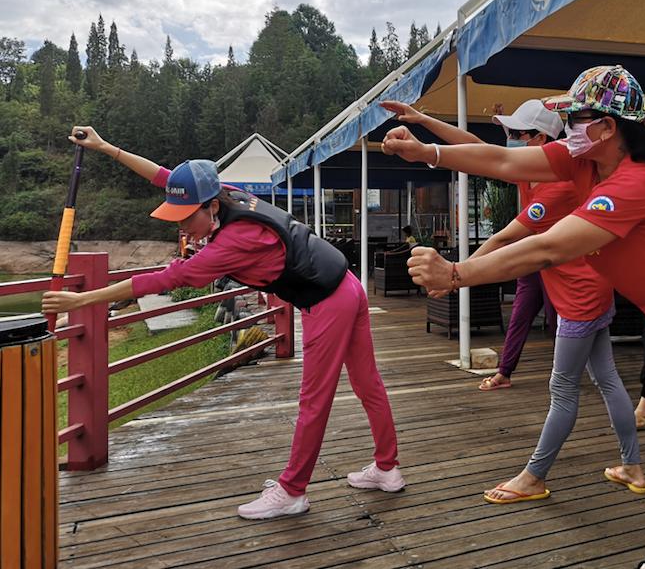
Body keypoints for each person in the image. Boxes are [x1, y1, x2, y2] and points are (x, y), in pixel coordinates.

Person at [384, 66, 645, 569]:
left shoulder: (635, 181)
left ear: (608, 126)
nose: (566, 124)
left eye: (575, 116)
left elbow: (546, 248)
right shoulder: (587, 161)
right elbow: (504, 158)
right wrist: (427, 152)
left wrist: (457, 273)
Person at [41, 127, 406, 520]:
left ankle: (293, 490)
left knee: (314, 400)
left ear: (210, 207)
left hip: (327, 301)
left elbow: (163, 280)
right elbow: (164, 177)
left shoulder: (231, 243)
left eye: (185, 218)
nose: (180, 226)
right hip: (348, 285)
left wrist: (83, 299)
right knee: (368, 383)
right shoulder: (224, 193)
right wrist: (106, 147)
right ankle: (387, 468)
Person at [380, 99, 558, 392]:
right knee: (523, 319)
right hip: (534, 262)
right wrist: (422, 120)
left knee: (567, 333)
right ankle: (507, 372)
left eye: (516, 135)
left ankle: (576, 380)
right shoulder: (528, 174)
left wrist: (454, 276)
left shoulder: (556, 185)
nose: (508, 141)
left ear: (540, 139)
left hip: (562, 267)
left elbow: (503, 237)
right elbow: (476, 146)